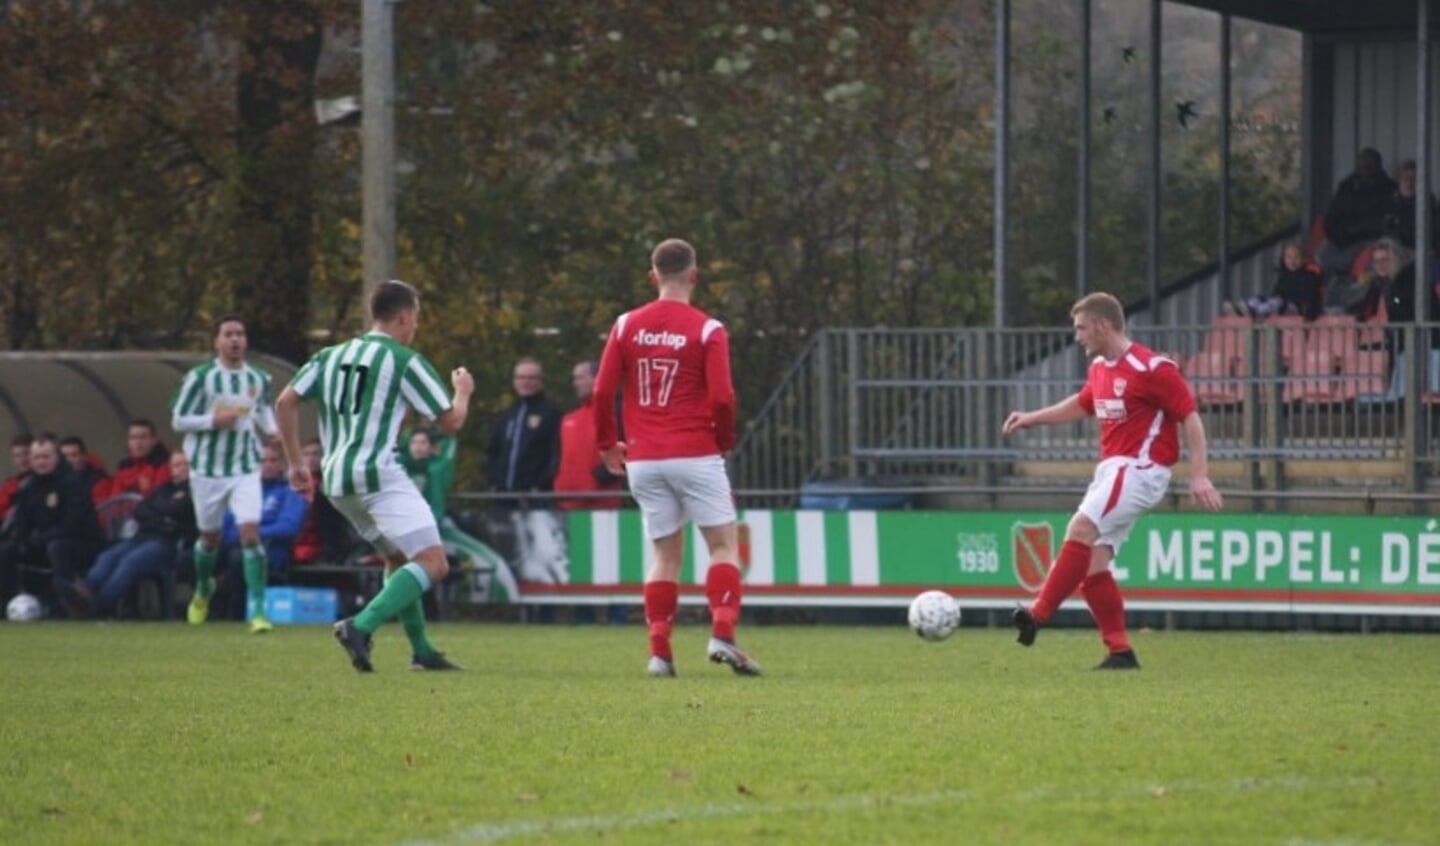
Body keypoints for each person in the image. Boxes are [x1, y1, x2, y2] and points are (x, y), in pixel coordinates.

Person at [1001, 292, 1223, 669]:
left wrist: (1199, 475)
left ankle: (1038, 614)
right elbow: (1083, 404)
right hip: (1113, 471)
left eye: (1081, 328)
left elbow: (1190, 417)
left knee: (1080, 527)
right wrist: (1032, 417)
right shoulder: (1101, 369)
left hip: (1140, 468)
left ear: (1104, 325)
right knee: (1093, 564)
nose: (1077, 336)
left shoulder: (1153, 368)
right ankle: (1120, 651)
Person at [276, 279, 474, 672]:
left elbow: (285, 401)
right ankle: (360, 625)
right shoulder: (403, 360)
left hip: (335, 480)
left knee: (399, 560)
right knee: (435, 563)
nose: (415, 326)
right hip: (378, 475)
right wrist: (463, 391)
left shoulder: (330, 355)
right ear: (403, 316)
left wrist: (296, 462)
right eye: (415, 318)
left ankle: (421, 651)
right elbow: (450, 423)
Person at [592, 237, 759, 678]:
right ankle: (722, 633)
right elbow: (722, 396)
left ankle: (660, 654)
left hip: (644, 460)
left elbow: (601, 391)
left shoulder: (627, 325)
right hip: (695, 452)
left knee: (665, 556)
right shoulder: (707, 329)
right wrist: (722, 438)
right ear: (694, 276)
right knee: (723, 547)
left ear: (653, 277)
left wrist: (608, 444)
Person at [171, 315, 280, 634]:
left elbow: (261, 409)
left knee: (249, 533)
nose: (235, 340)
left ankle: (258, 610)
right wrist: (212, 421)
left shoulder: (259, 378)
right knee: (210, 538)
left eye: (240, 334)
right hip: (206, 469)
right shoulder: (200, 378)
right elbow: (178, 419)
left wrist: (271, 431)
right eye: (228, 334)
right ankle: (204, 587)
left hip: (246, 466)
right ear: (216, 341)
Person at [76, 451, 196, 618]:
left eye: (186, 464)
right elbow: (140, 510)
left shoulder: (197, 491)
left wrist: (158, 511)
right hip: (142, 537)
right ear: (171, 468)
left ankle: (97, 606)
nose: (182, 468)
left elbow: (179, 509)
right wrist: (163, 516)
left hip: (169, 542)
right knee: (109, 556)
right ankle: (84, 592)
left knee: (131, 561)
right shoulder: (163, 488)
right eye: (177, 465)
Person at [0, 434, 106, 614]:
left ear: (57, 457)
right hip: (44, 543)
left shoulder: (72, 484)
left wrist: (40, 539)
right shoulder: (29, 487)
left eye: (46, 457)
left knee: (57, 547)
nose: (41, 462)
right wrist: (22, 541)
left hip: (82, 544)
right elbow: (21, 521)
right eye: (37, 457)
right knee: (7, 551)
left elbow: (72, 525)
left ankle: (66, 604)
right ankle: (6, 606)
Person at [214, 443, 308, 620]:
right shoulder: (242, 492)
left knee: (237, 558)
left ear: (281, 464)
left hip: (270, 549)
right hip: (234, 544)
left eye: (273, 460)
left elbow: (289, 527)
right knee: (192, 557)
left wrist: (253, 533)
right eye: (262, 461)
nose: (268, 464)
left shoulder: (290, 493)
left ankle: (237, 613)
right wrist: (240, 535)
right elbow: (226, 525)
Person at [485, 358, 561, 507]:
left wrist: (542, 485)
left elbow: (556, 454)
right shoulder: (507, 415)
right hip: (504, 496)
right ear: (514, 381)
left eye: (531, 378)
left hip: (535, 497)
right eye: (521, 377)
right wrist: (493, 481)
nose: (525, 382)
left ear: (540, 381)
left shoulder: (550, 414)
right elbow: (493, 451)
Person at [1315, 147, 1396, 285]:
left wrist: (1358, 230)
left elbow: (1380, 223)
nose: (1365, 168)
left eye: (1369, 165)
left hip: (1366, 237)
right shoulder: (1347, 186)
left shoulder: (1389, 189)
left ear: (1378, 166)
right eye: (1363, 164)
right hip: (1342, 236)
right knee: (1322, 257)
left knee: (1344, 262)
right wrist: (1336, 233)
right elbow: (1332, 216)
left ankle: (1343, 288)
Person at [554, 360, 624, 510]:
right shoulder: (569, 418)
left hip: (602, 505)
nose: (575, 383)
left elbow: (629, 450)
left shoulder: (616, 413)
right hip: (566, 503)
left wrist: (600, 477)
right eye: (575, 378)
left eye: (580, 378)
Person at [1243, 241, 1323, 320]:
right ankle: (1250, 306)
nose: (1292, 260)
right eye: (1288, 257)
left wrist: (1309, 312)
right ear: (1284, 259)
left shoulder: (1309, 277)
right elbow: (1276, 294)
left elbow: (1313, 300)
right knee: (1260, 299)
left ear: (1303, 259)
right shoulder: (1283, 277)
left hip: (1296, 310)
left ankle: (1262, 310)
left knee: (1278, 302)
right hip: (1280, 309)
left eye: (1296, 257)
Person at [99, 419, 172, 500]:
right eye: (133, 438)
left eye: (143, 437)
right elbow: (115, 503)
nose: (138, 442)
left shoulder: (164, 463)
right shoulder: (123, 467)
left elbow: (160, 499)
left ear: (153, 441)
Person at [58, 435, 111, 504]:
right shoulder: (56, 482)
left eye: (74, 455)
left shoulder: (98, 481)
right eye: (64, 456)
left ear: (84, 456)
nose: (69, 460)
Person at [0, 433, 34, 524]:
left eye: (26, 453)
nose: (22, 459)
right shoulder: (9, 485)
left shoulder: (46, 481)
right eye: (17, 456)